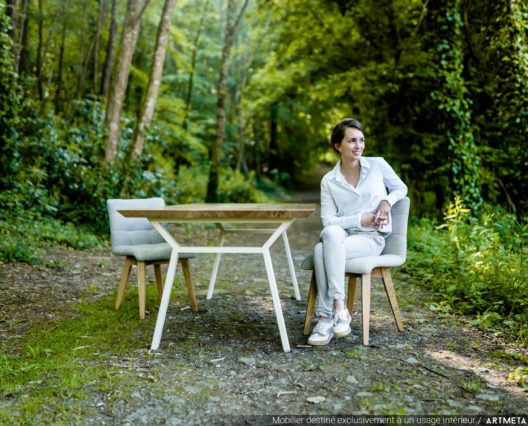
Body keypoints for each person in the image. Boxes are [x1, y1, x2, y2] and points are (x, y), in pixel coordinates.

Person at [307, 118, 408, 346]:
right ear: (337, 145)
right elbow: (328, 221)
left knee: (320, 251)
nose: (358, 146)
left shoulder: (378, 165)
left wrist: (386, 201)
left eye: (361, 140)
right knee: (331, 235)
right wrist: (358, 218)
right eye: (351, 141)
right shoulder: (329, 181)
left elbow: (401, 188)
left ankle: (325, 318)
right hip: (343, 235)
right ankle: (340, 308)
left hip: (371, 238)